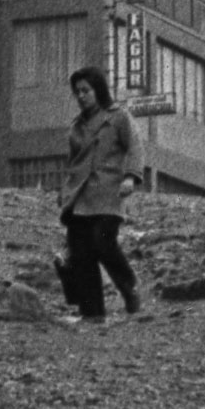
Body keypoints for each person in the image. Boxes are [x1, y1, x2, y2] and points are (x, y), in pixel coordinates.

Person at [58, 65, 143, 320]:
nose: (81, 96)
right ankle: (92, 313)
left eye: (86, 90)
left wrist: (130, 176)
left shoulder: (118, 117)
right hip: (80, 198)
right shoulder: (77, 126)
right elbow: (73, 163)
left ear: (98, 90)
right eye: (77, 92)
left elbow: (135, 147)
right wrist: (65, 195)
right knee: (82, 255)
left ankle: (129, 286)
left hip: (109, 194)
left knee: (103, 243)